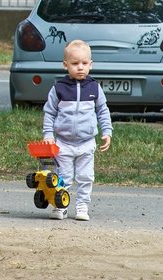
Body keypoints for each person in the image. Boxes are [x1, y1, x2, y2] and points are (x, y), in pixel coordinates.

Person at [42, 39, 113, 221]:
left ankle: (82, 206)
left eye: (84, 63)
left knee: (85, 176)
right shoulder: (58, 89)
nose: (80, 67)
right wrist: (48, 135)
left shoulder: (95, 88)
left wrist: (107, 131)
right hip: (63, 143)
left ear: (91, 64)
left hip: (86, 143)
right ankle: (61, 205)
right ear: (66, 65)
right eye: (75, 64)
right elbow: (49, 113)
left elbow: (103, 111)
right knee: (63, 177)